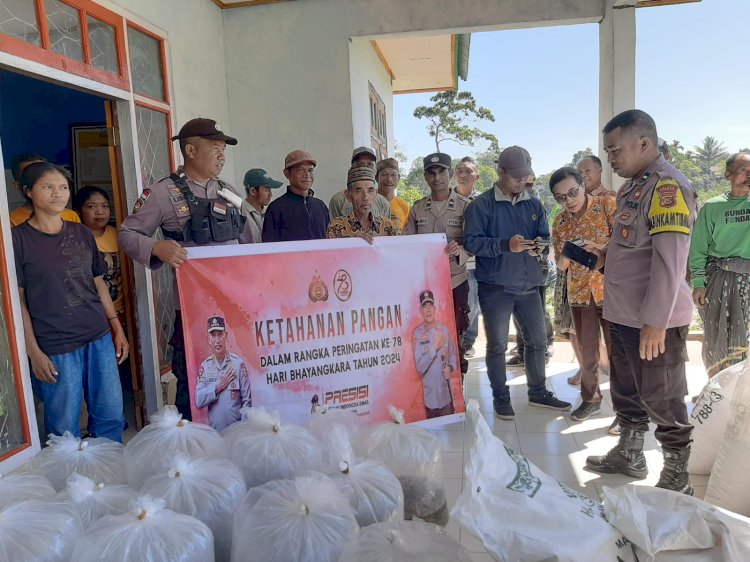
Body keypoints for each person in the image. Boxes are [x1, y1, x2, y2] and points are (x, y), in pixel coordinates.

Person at [585, 109, 696, 495]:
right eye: (608, 151)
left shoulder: (668, 188)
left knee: (663, 397)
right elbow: (634, 248)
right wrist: (602, 255)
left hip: (654, 322)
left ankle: (678, 474)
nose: (610, 159)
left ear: (644, 143)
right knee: (627, 390)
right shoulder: (633, 188)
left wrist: (656, 321)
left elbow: (670, 263)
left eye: (615, 150)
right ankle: (630, 453)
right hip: (622, 314)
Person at [119, 117, 251, 420]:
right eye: (214, 148)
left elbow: (248, 244)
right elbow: (127, 233)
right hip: (191, 311)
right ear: (190, 151)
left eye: (223, 149)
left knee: (239, 377)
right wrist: (155, 247)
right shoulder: (163, 193)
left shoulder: (228, 191)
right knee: (193, 384)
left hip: (233, 307)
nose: (221, 155)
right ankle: (194, 451)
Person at [13, 162, 127, 441]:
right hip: (56, 343)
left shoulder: (81, 233)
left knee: (111, 413)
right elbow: (19, 302)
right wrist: (33, 352)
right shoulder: (18, 240)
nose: (58, 194)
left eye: (63, 187)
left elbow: (98, 283)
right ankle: (70, 479)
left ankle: (109, 472)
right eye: (48, 187)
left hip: (98, 335)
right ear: (28, 191)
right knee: (64, 423)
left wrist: (116, 327)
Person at [464, 146, 571, 420]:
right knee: (497, 345)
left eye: (525, 177)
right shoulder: (482, 206)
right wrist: (505, 245)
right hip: (495, 287)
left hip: (528, 285)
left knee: (536, 341)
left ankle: (538, 392)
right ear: (500, 173)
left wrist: (539, 246)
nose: (521, 181)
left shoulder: (534, 204)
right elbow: (472, 242)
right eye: (515, 177)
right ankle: (501, 397)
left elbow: (544, 236)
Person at [549, 167, 616, 421]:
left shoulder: (607, 206)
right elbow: (560, 264)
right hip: (579, 293)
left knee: (617, 350)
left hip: (610, 290)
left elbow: (625, 242)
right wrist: (567, 253)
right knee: (587, 351)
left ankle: (626, 410)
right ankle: (591, 399)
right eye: (561, 197)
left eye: (572, 192)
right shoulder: (561, 223)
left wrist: (601, 248)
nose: (568, 200)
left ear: (582, 184)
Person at [403, 152, 471, 377]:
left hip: (454, 283)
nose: (437, 177)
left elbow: (473, 243)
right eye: (431, 173)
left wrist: (461, 250)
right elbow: (404, 245)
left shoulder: (464, 207)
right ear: (425, 177)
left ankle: (458, 391)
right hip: (425, 287)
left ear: (450, 174)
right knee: (426, 339)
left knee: (456, 337)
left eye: (442, 171)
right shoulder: (418, 209)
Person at [689, 151, 750, 376]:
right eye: (744, 170)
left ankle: (740, 396)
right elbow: (698, 249)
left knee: (745, 339)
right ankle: (715, 391)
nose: (749, 175)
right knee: (716, 336)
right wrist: (698, 282)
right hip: (719, 280)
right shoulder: (713, 207)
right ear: (728, 174)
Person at [506, 176, 555, 367]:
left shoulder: (535, 204)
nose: (522, 186)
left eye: (527, 183)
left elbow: (544, 240)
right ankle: (522, 351)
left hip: (536, 269)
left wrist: (536, 248)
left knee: (538, 313)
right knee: (517, 313)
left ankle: (543, 349)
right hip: (513, 272)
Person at [73, 186, 124, 320]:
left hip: (120, 311)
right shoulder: (75, 238)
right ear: (78, 211)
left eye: (105, 206)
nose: (100, 212)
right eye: (91, 207)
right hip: (91, 314)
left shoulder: (116, 234)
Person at [195, 315, 251, 432]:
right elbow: (199, 400)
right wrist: (218, 387)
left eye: (220, 334)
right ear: (209, 339)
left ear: (226, 336)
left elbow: (247, 402)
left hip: (237, 435)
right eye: (213, 335)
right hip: (216, 435)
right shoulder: (205, 367)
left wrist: (243, 430)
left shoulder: (237, 364)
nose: (217, 340)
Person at [262, 150, 330, 242]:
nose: (307, 175)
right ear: (287, 173)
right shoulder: (276, 208)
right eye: (300, 170)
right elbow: (269, 247)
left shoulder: (320, 206)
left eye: (310, 170)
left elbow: (329, 240)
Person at [412, 290, 457, 418]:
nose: (428, 310)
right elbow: (420, 367)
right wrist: (434, 347)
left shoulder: (444, 329)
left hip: (446, 395)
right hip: (430, 399)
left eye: (430, 306)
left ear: (435, 308)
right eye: (425, 306)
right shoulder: (417, 334)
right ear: (421, 310)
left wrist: (451, 367)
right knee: (433, 432)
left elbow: (453, 354)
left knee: (450, 431)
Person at [453, 157, 481, 358]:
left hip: (477, 261)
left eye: (468, 171)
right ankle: (455, 339)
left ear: (477, 176)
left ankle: (468, 341)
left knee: (473, 303)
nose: (463, 175)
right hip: (451, 261)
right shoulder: (447, 199)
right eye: (459, 171)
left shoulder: (483, 202)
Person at [327, 165, 400, 240]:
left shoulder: (388, 226)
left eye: (370, 190)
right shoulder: (336, 227)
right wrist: (351, 242)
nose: (365, 198)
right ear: (348, 195)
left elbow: (398, 249)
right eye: (359, 191)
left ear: (375, 194)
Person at [9, 153, 81, 226]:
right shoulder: (10, 220)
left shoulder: (71, 216)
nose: (57, 194)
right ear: (19, 186)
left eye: (64, 187)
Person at [328, 147, 391, 219]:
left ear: (375, 169)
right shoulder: (338, 200)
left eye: (370, 164)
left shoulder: (383, 203)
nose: (366, 168)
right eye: (361, 164)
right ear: (352, 167)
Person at [242, 168, 284, 243]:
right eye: (267, 189)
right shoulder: (241, 215)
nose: (271, 194)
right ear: (253, 191)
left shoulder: (270, 213)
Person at [376, 158, 410, 229]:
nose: (389, 179)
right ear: (376, 177)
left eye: (393, 175)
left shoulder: (403, 206)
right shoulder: (367, 203)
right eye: (384, 174)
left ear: (399, 178)